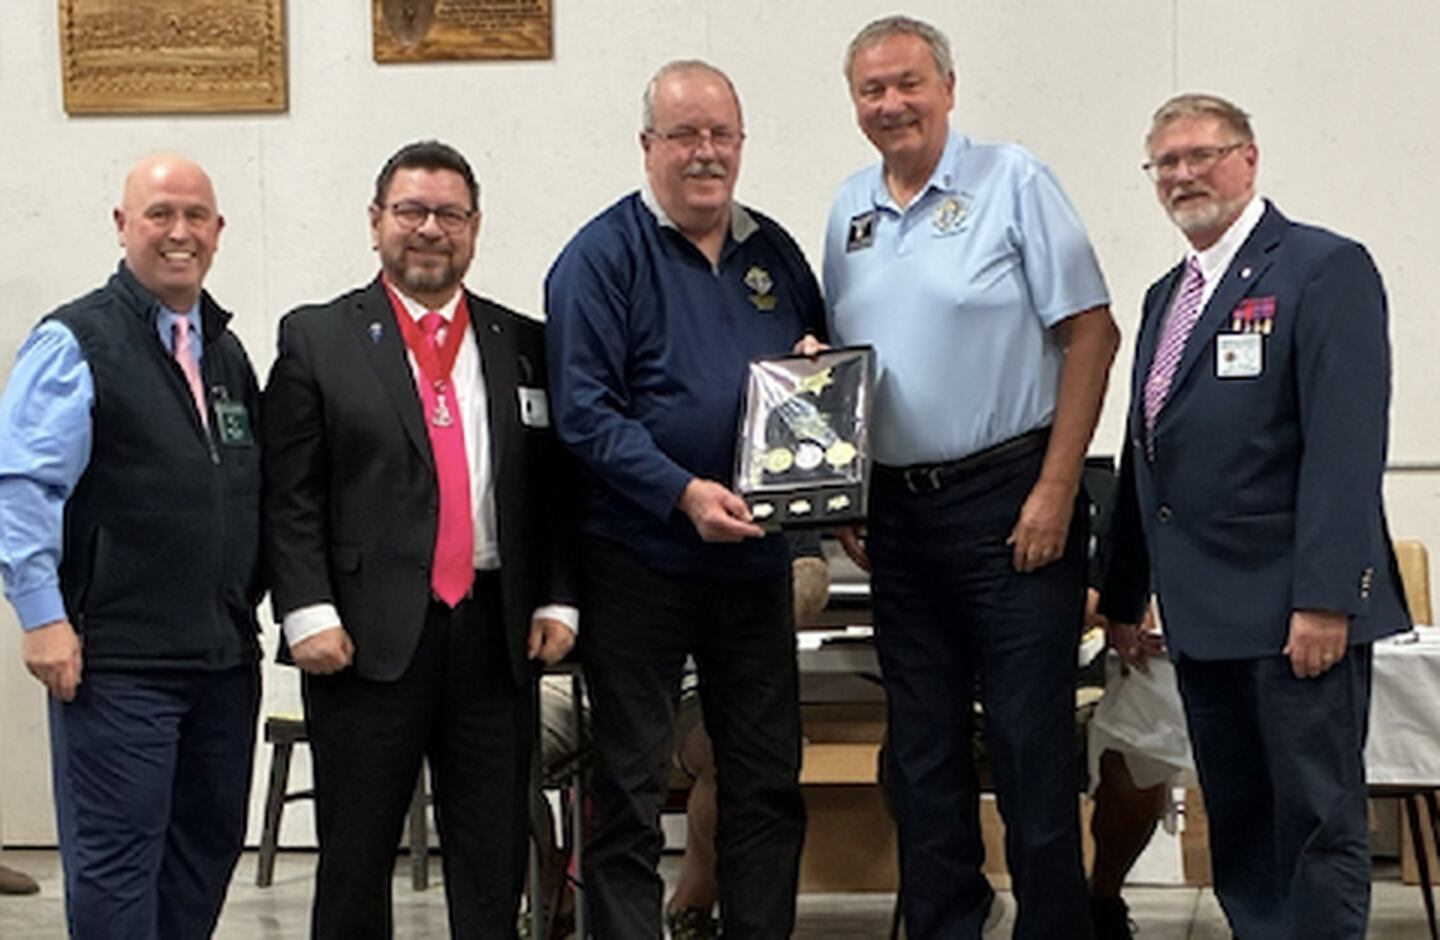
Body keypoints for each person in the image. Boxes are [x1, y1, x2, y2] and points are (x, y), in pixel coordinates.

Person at [822, 15, 1118, 939]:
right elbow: (845, 361)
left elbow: (1091, 332)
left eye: (908, 83)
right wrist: (846, 484)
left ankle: (1055, 927)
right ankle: (945, 921)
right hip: (901, 519)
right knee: (922, 747)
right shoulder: (848, 211)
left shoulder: (1014, 180)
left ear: (949, 87)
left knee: (1030, 741)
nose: (892, 103)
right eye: (872, 89)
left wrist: (1057, 489)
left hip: (1013, 501)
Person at [1098, 93, 1409, 939]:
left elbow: (1346, 452)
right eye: (1166, 162)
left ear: (1249, 158)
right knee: (1238, 822)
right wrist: (1123, 594)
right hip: (1203, 619)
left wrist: (1326, 598)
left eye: (1203, 154)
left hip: (1293, 613)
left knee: (1312, 821)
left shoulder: (1322, 268)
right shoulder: (1169, 294)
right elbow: (1145, 457)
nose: (1184, 174)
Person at [262, 140, 578, 939]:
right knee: (356, 857)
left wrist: (559, 597)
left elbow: (556, 490)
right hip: (362, 640)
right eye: (410, 211)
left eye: (449, 214)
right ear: (376, 223)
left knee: (493, 849)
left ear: (474, 229)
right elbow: (289, 493)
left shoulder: (525, 343)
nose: (429, 229)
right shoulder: (317, 337)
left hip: (495, 636)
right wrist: (305, 610)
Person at [544, 60, 825, 938]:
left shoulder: (773, 253)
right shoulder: (599, 258)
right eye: (685, 136)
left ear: (741, 143)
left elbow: (818, 380)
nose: (706, 154)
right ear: (647, 147)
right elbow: (584, 414)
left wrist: (819, 389)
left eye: (721, 136)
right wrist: (683, 492)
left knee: (765, 780)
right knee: (629, 787)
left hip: (753, 565)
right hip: (639, 563)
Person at [0, 154, 263, 937]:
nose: (179, 233)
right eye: (160, 215)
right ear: (123, 227)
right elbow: (22, 487)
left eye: (195, 217)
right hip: (119, 668)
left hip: (221, 664)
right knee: (118, 868)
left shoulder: (224, 352)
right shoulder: (75, 341)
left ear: (218, 232)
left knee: (205, 853)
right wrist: (41, 616)